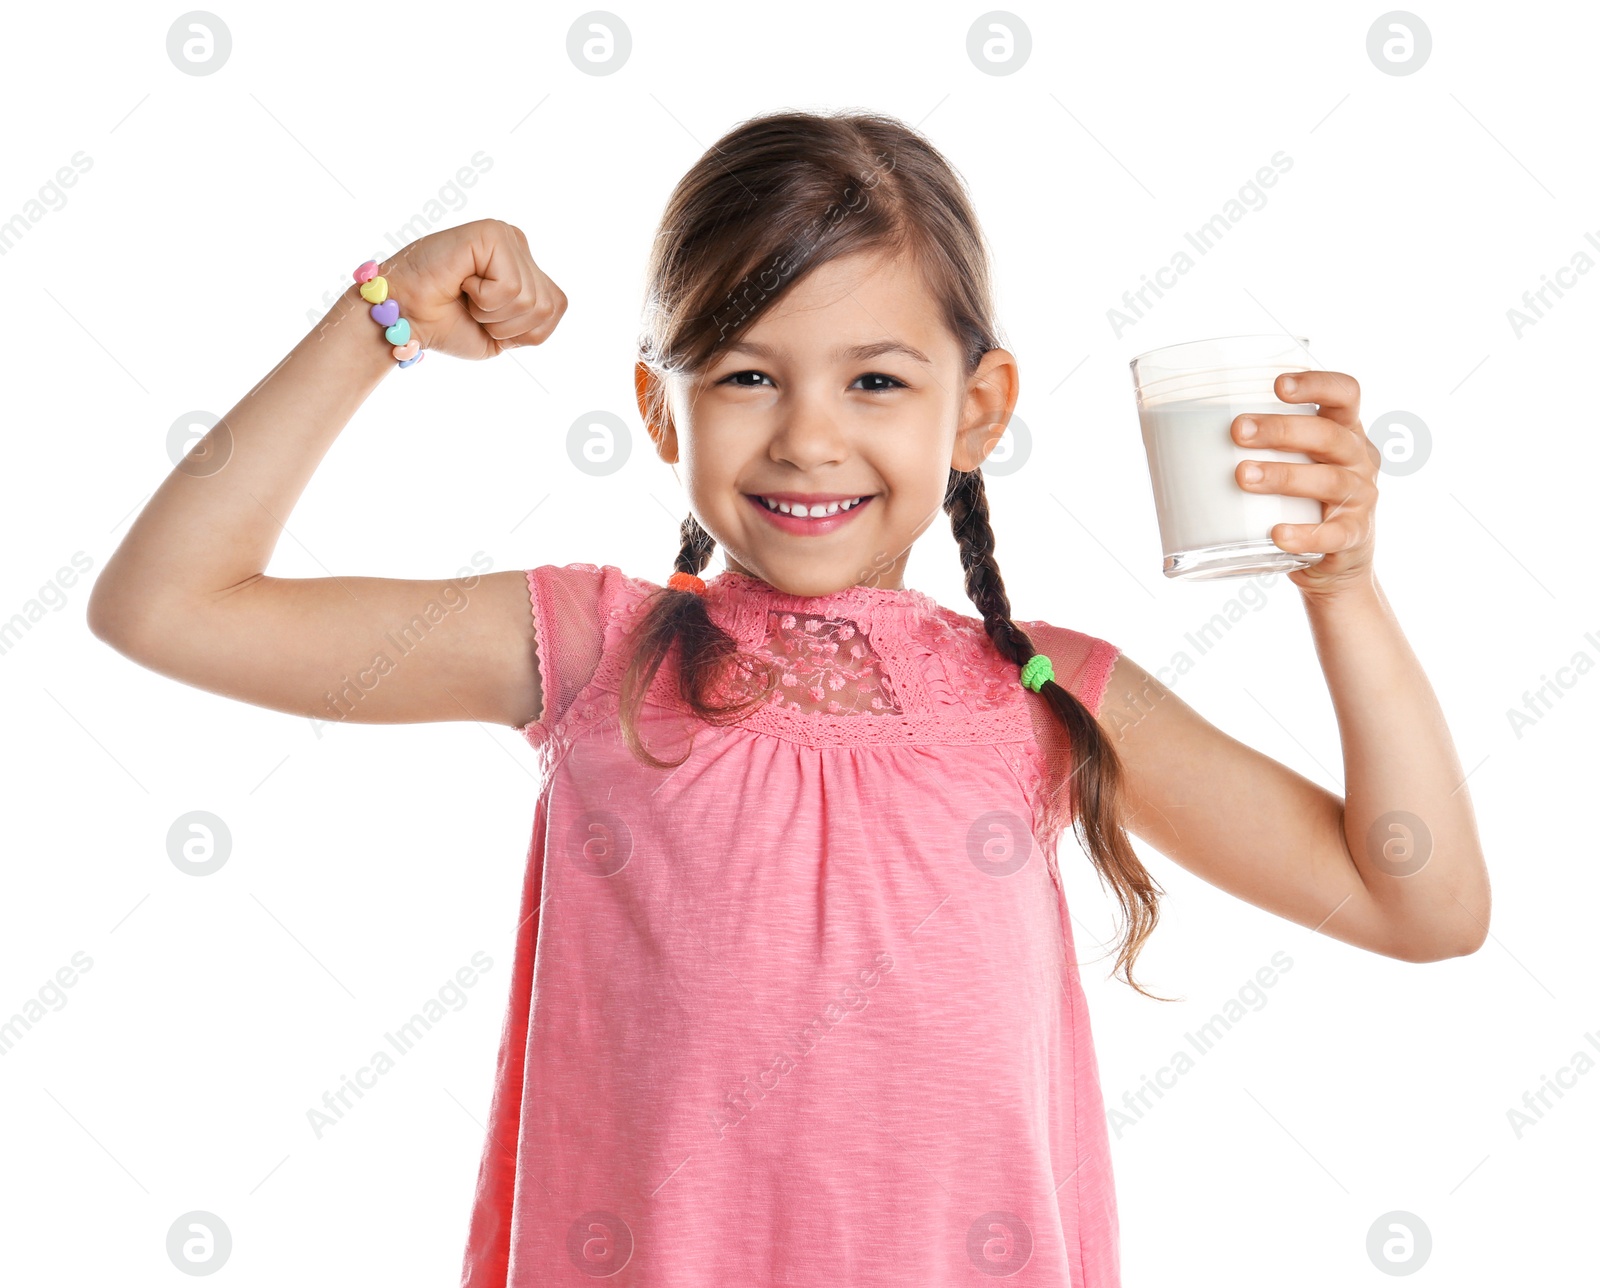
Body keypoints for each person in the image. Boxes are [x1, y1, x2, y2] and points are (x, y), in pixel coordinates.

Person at [87, 108, 1490, 1287]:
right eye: (748, 375)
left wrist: (1342, 589)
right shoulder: (594, 649)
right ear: (659, 412)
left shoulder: (1047, 696)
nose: (810, 432)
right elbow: (167, 607)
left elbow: (1416, 902)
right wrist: (377, 316)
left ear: (979, 409)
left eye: (877, 378)